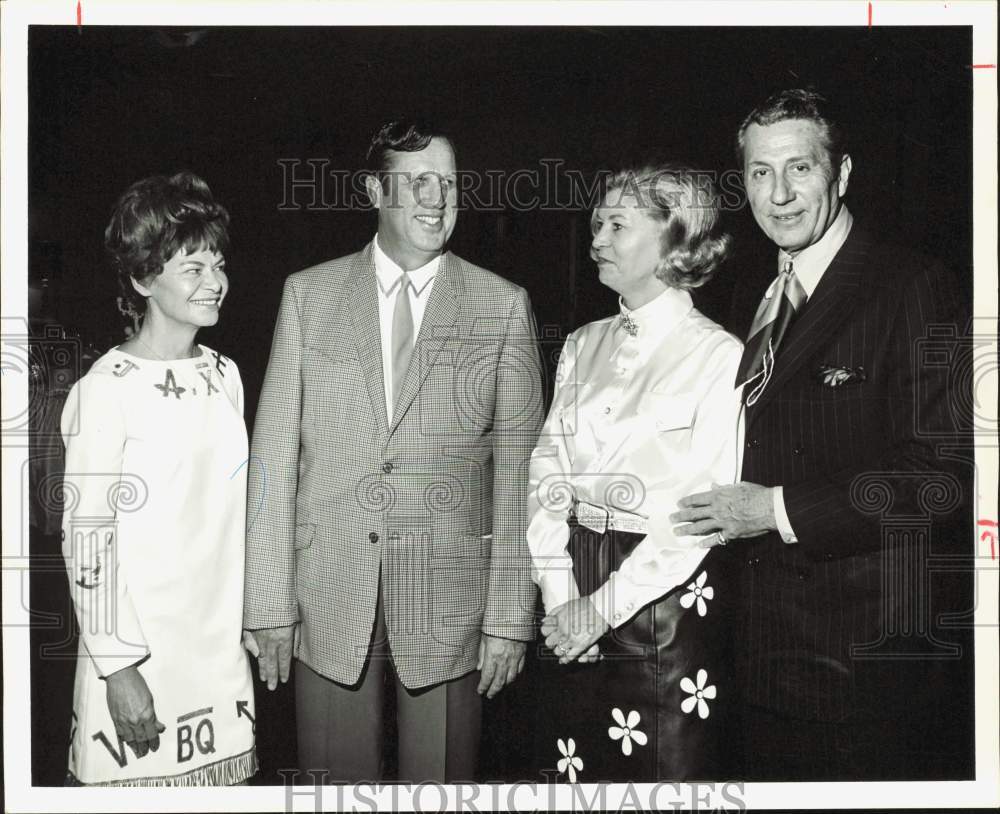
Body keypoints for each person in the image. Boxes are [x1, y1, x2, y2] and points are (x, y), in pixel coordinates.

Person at [671, 88, 972, 780]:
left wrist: (774, 510)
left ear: (840, 175)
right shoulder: (750, 284)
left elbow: (942, 476)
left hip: (862, 671)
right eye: (758, 173)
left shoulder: (912, 284)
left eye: (799, 169)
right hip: (758, 657)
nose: (778, 195)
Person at [243, 119, 544, 783]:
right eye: (416, 183)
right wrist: (267, 604)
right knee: (330, 786)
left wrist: (508, 619)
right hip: (325, 602)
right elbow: (271, 463)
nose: (436, 198)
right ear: (376, 190)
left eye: (448, 182)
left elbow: (522, 479)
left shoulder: (503, 306)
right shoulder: (307, 295)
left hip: (450, 611)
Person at [527, 164, 742, 781]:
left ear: (674, 239)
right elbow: (547, 473)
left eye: (617, 225)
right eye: (597, 223)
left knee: (661, 776)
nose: (596, 239)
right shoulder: (580, 343)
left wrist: (603, 608)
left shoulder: (718, 354)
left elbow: (703, 512)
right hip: (570, 586)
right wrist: (564, 597)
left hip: (668, 601)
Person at [60, 172, 256, 785]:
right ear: (144, 280)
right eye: (192, 268)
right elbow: (85, 533)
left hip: (220, 658)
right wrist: (117, 668)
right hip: (142, 664)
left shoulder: (226, 374)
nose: (215, 281)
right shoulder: (104, 390)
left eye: (218, 264)